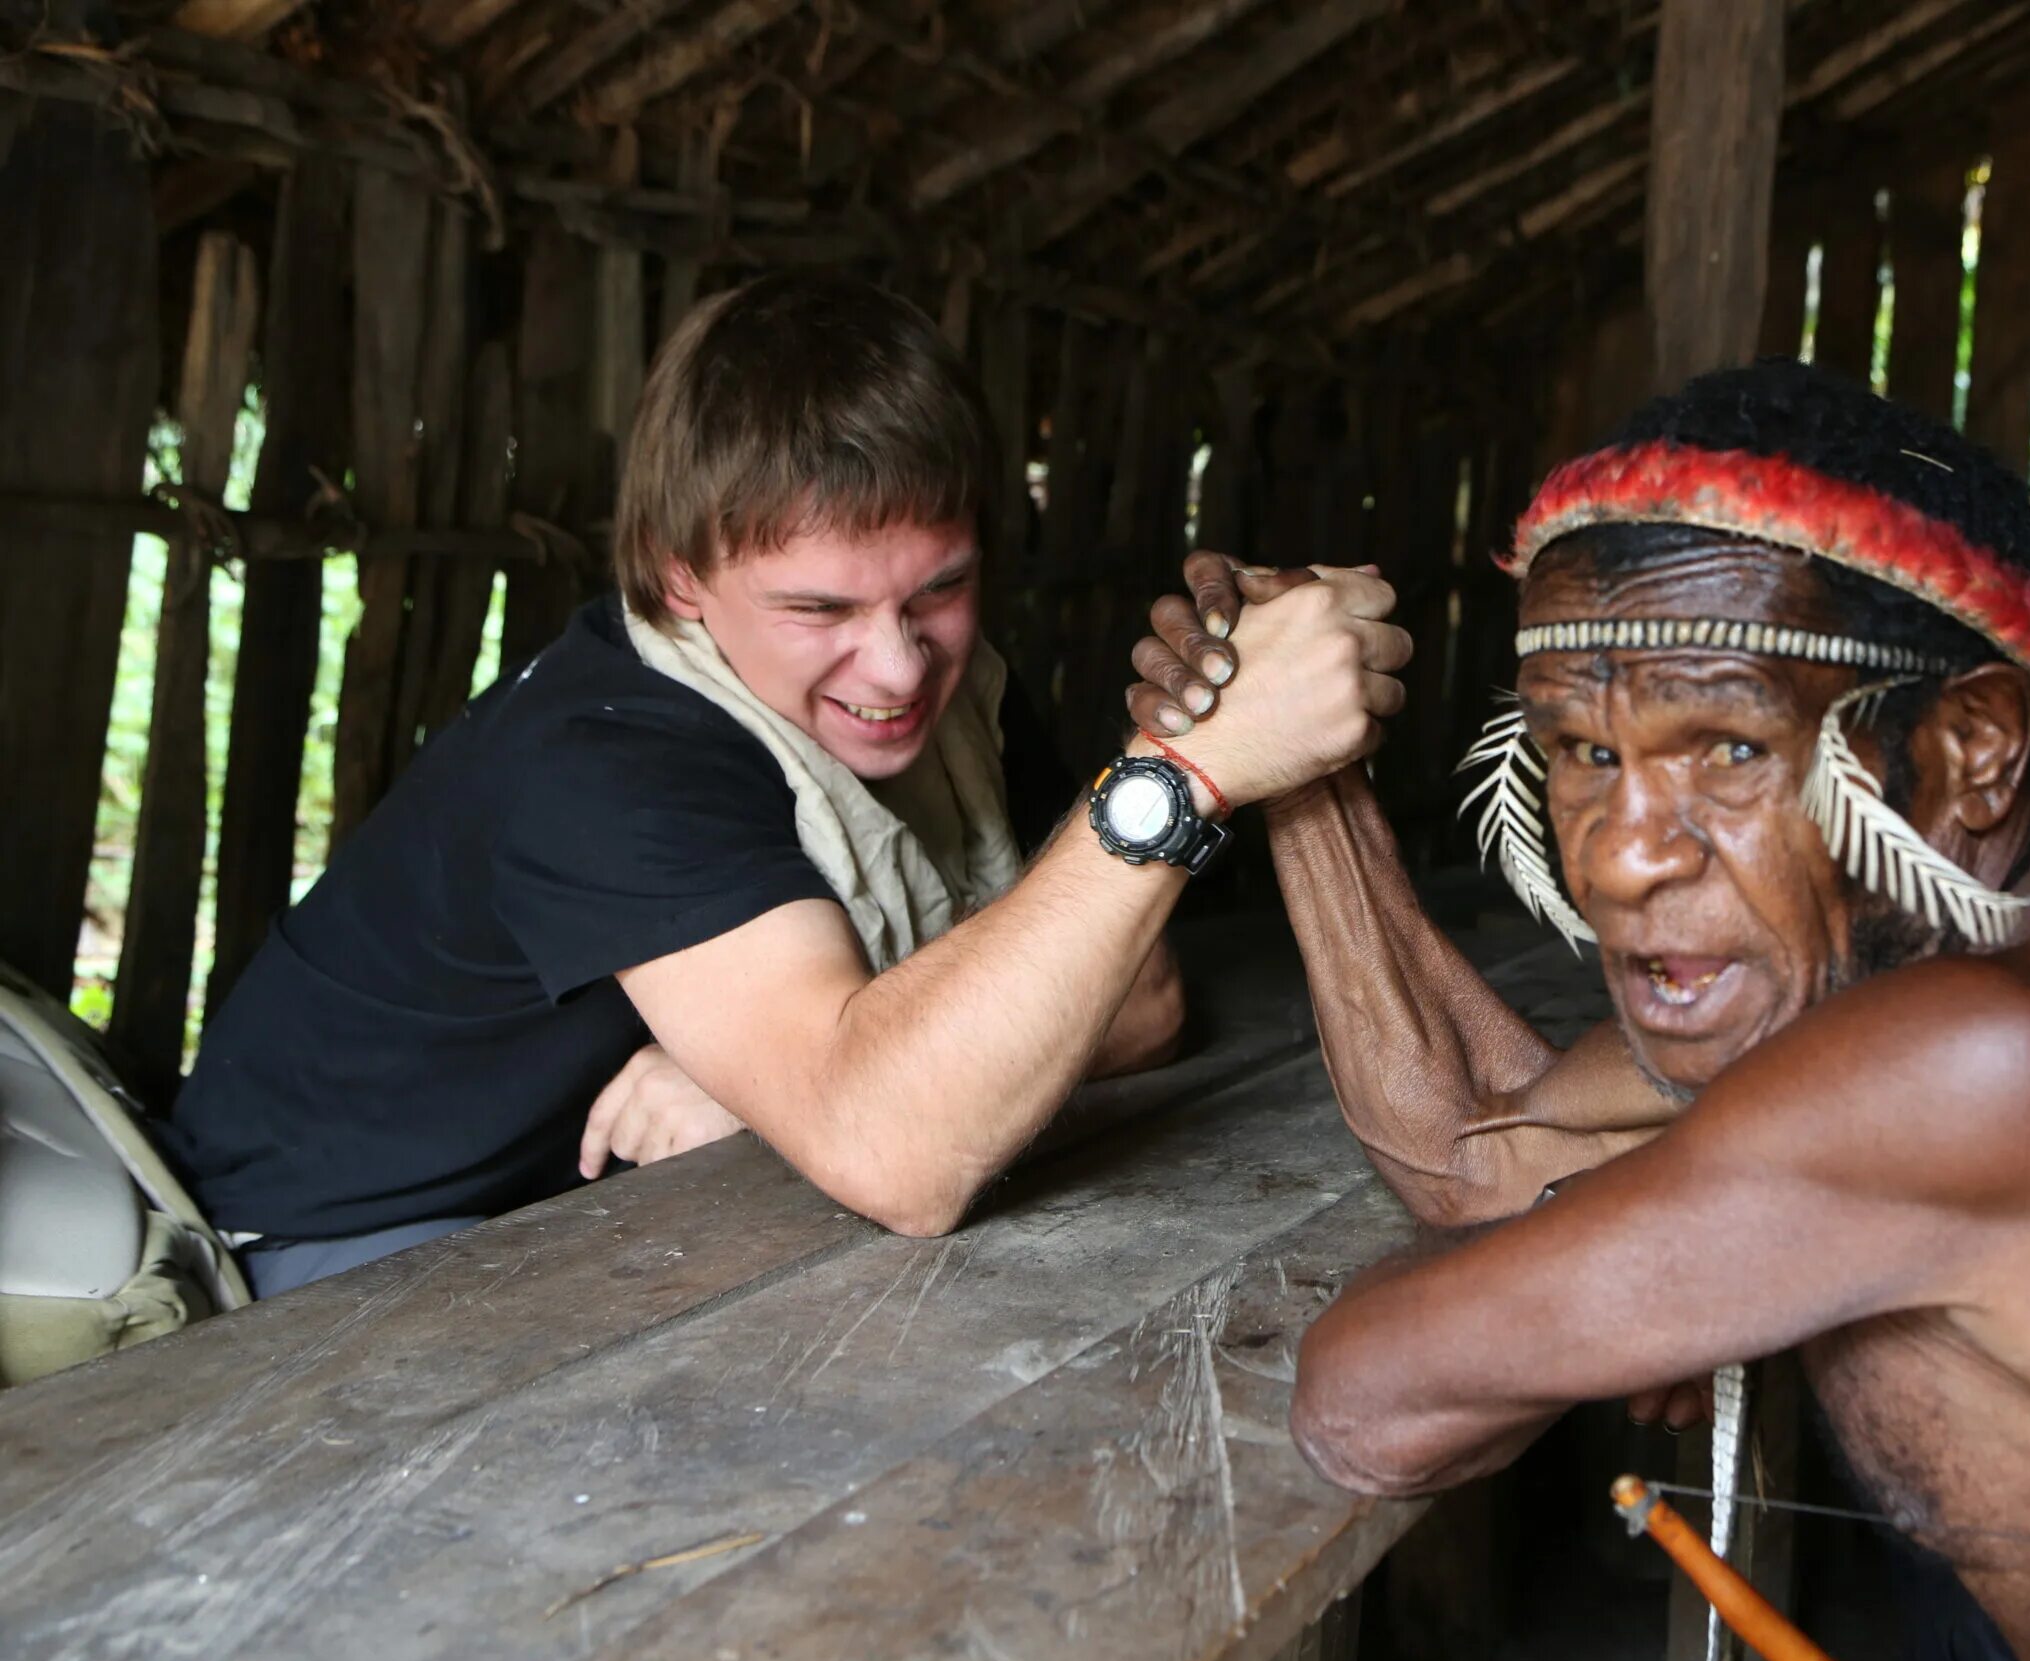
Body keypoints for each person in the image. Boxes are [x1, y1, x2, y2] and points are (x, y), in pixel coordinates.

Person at [1134, 362, 2030, 1661]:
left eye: (1733, 751)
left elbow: (1366, 1391)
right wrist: (1281, 764)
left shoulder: (1995, 1062)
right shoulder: (1930, 986)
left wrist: (1661, 1247)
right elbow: (1472, 1140)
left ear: (1973, 752)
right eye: (1582, 751)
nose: (1624, 855)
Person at [163, 275, 1408, 1296]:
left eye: (938, 588)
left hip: (606, 1206)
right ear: (679, 579)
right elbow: (903, 1151)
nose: (897, 662)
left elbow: (1137, 1003)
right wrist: (1188, 772)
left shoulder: (960, 697)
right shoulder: (607, 759)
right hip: (350, 1249)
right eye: (819, 607)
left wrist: (793, 1084)